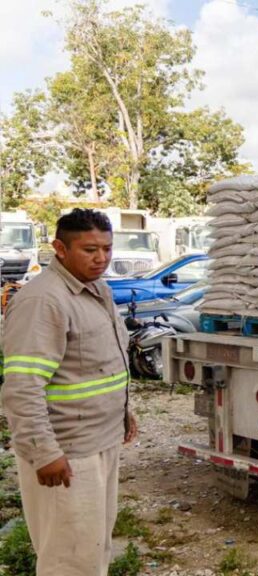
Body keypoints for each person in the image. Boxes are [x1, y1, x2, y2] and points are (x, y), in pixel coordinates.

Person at [2, 208, 138, 576]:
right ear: (59, 248)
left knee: (93, 549)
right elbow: (22, 386)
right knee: (69, 560)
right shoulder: (44, 301)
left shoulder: (97, 291)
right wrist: (44, 452)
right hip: (67, 452)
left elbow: (96, 365)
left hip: (99, 440)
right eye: (89, 250)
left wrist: (122, 411)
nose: (102, 259)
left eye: (107, 249)